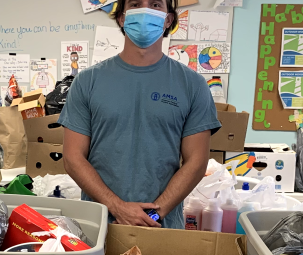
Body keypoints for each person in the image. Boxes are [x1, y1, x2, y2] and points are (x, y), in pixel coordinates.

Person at [59, 0, 220, 229]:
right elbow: (73, 158)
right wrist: (117, 207)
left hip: (161, 228)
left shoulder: (193, 85)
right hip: (99, 227)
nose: (145, 11)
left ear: (168, 20)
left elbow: (196, 162)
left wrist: (151, 216)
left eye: (155, 4)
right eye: (135, 4)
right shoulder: (87, 82)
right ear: (122, 18)